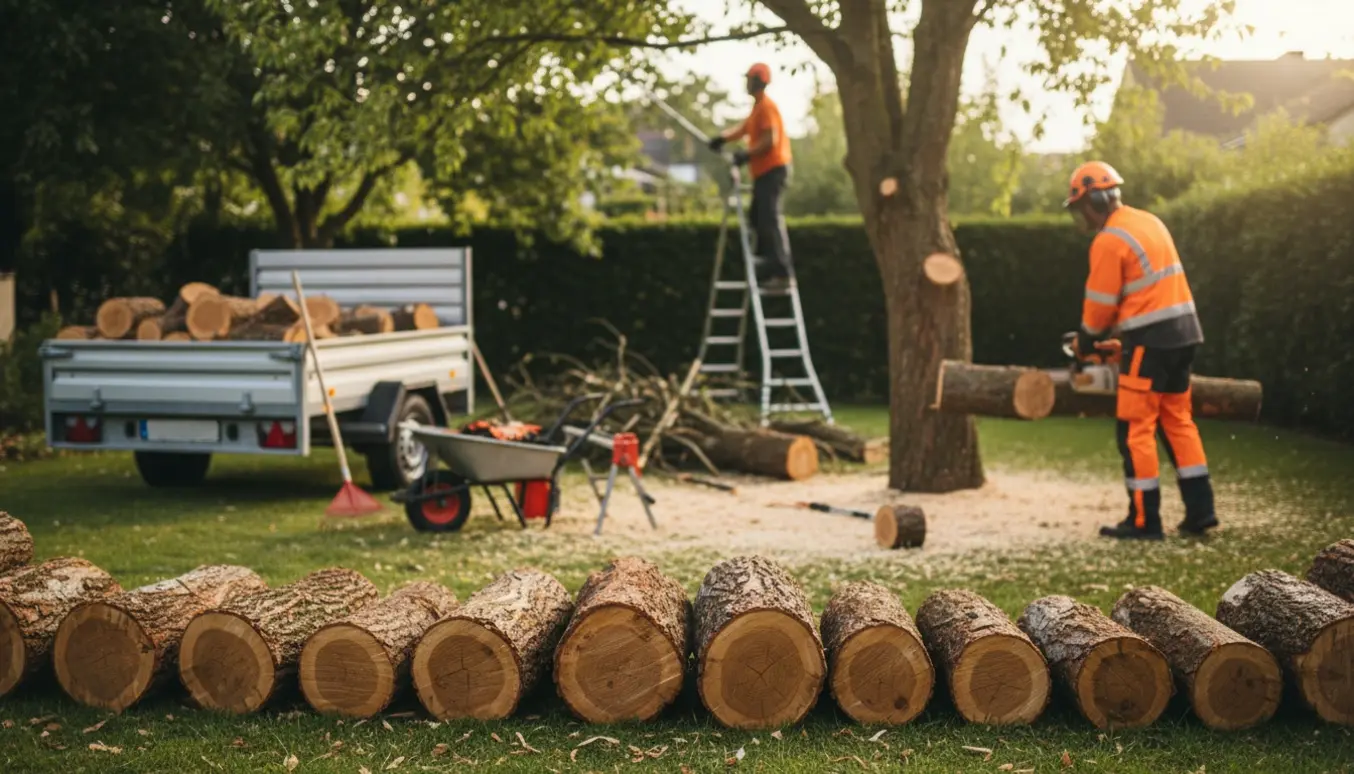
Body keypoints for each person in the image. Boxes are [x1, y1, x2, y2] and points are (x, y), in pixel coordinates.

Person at [1062, 160, 1218, 540]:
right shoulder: (1148, 221)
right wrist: (1123, 341)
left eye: (1082, 207)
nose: (1082, 215)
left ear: (1094, 200)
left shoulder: (1110, 239)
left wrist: (1085, 342)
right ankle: (1201, 512)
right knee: (1178, 422)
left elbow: (1099, 308)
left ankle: (1145, 521)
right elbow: (1146, 296)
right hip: (1184, 334)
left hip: (1151, 343)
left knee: (1136, 428)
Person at [708, 62, 794, 291]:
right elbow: (743, 129)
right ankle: (768, 268)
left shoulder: (766, 107)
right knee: (757, 218)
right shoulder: (757, 109)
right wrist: (722, 138)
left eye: (749, 79)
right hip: (764, 172)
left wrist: (745, 154)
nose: (746, 83)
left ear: (758, 81)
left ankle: (781, 270)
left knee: (769, 217)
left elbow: (769, 140)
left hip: (774, 170)